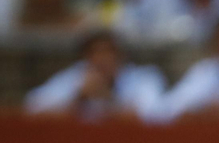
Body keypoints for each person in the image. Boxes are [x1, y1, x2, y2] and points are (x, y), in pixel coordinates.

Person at [24, 28, 165, 118]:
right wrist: (79, 98)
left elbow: (154, 115)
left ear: (121, 55)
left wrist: (108, 99)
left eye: (108, 52)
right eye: (94, 53)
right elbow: (31, 108)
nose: (101, 59)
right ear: (85, 57)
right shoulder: (75, 77)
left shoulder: (144, 78)